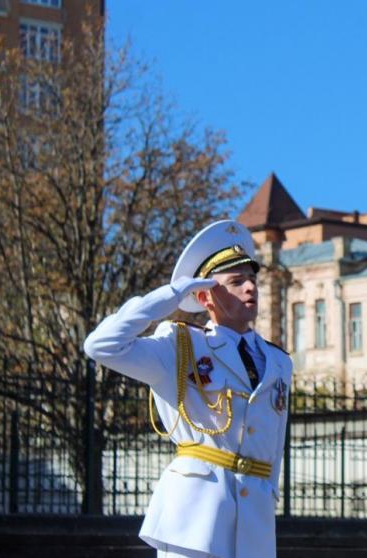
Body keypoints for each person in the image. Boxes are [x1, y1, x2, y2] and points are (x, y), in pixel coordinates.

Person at [84, 220, 292, 558]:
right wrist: (172, 294)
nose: (250, 288)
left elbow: (274, 445)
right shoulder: (180, 346)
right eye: (236, 282)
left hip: (255, 523)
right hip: (195, 519)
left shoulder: (279, 361)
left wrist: (268, 495)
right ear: (204, 295)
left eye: (252, 279)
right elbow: (101, 345)